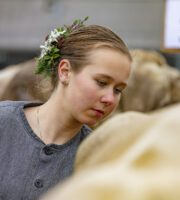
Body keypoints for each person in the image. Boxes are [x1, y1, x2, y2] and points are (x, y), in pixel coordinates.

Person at [0, 17, 132, 200]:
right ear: (65, 72)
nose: (110, 98)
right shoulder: (3, 123)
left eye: (118, 90)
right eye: (101, 82)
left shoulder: (100, 157)